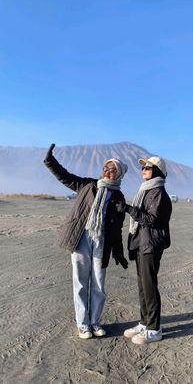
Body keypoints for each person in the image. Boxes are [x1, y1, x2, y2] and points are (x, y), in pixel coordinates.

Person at [44, 144, 128, 339]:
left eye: (112, 169)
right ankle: (83, 325)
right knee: (80, 282)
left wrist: (118, 252)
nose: (107, 172)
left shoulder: (118, 196)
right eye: (105, 168)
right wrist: (50, 161)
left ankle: (95, 322)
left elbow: (117, 228)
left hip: (103, 241)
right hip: (82, 237)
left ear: (120, 174)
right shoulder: (88, 185)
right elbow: (65, 177)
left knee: (98, 283)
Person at [116, 156, 172, 345]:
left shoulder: (158, 193)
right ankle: (144, 322)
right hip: (142, 243)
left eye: (148, 168)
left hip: (151, 245)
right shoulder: (146, 190)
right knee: (142, 286)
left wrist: (128, 209)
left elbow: (152, 220)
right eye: (143, 168)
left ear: (157, 171)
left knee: (149, 286)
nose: (143, 170)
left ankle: (154, 329)